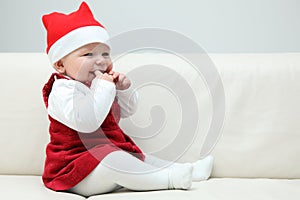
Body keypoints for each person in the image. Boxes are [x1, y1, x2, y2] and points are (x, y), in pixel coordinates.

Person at [41, 1, 213, 197]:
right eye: (88, 54)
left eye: (105, 53)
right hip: (73, 171)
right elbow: (87, 122)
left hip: (105, 156)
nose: (100, 60)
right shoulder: (62, 90)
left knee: (138, 157)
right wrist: (105, 88)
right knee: (114, 161)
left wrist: (123, 90)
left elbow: (129, 109)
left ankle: (188, 169)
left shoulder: (100, 84)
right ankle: (170, 179)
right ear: (60, 64)